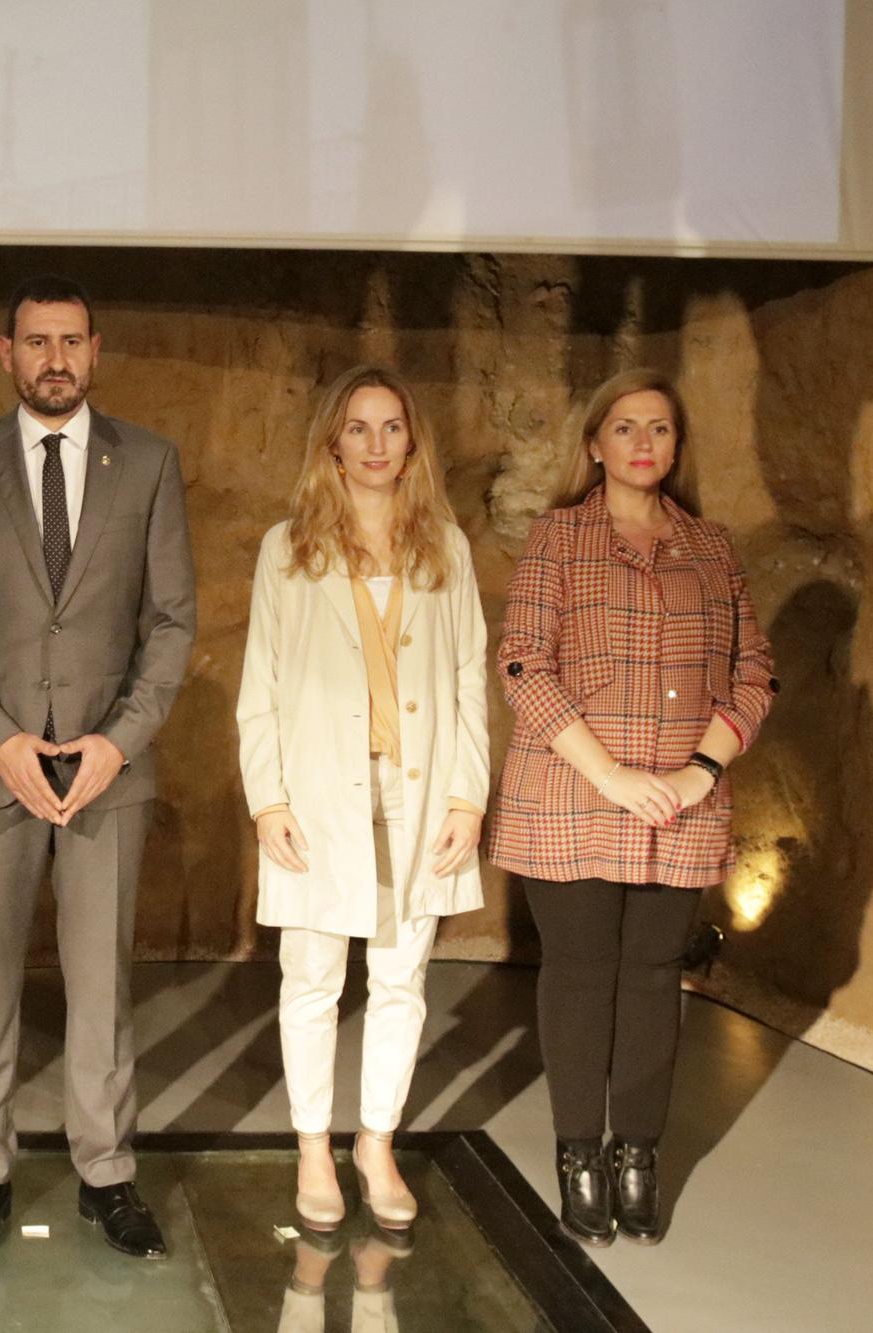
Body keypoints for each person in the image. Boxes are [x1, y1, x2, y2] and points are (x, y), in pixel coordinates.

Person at [0, 276, 197, 1260]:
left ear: (95, 347)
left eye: (70, 340)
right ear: (5, 353)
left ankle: (105, 1171)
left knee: (98, 980)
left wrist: (118, 739)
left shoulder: (148, 462)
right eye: (36, 341)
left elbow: (169, 620)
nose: (54, 359)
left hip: (106, 769)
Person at [488, 368, 775, 1246]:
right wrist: (608, 773)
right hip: (573, 792)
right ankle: (579, 1151)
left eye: (659, 428)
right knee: (578, 973)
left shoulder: (712, 546)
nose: (644, 441)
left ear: (677, 446)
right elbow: (522, 663)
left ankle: (638, 1153)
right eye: (625, 427)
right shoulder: (559, 537)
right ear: (595, 445)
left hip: (678, 802)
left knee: (654, 977)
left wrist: (699, 771)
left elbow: (756, 672)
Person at [236, 365, 489, 1234]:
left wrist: (467, 796)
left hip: (416, 793)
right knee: (310, 979)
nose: (376, 445)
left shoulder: (445, 546)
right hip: (315, 792)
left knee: (399, 978)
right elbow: (259, 681)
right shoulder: (289, 546)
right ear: (332, 445)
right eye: (358, 428)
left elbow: (468, 679)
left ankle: (375, 1141)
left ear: (412, 440)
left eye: (391, 427)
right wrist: (267, 799)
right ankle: (313, 1145)